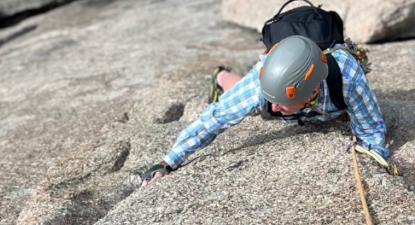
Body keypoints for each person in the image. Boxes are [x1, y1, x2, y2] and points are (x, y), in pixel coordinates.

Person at [140, 35, 395, 186]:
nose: (273, 108)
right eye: (272, 100)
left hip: (324, 98)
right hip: (262, 87)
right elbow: (214, 118)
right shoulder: (261, 86)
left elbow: (371, 129)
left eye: (281, 102)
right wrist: (168, 162)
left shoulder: (349, 78)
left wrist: (373, 161)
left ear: (313, 92)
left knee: (344, 112)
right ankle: (221, 76)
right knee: (247, 103)